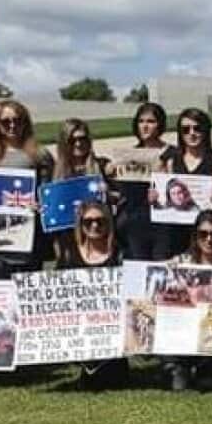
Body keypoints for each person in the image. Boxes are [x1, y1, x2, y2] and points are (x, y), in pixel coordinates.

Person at [0, 99, 55, 271]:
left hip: (30, 231)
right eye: (5, 122)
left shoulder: (40, 154)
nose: (12, 125)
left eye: (18, 120)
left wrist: (41, 203)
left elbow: (48, 191)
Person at [164, 210, 212, 392]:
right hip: (182, 335)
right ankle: (178, 367)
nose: (209, 239)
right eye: (203, 234)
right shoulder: (181, 262)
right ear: (195, 236)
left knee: (209, 382)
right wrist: (167, 270)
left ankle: (210, 367)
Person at [57, 201, 126, 390]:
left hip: (111, 324)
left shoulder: (120, 253)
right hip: (79, 322)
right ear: (81, 224)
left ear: (109, 223)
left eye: (100, 221)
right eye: (88, 222)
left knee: (113, 378)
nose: (94, 226)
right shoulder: (70, 253)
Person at [158, 108, 212, 259]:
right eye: (186, 129)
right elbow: (163, 200)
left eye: (197, 128)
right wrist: (156, 198)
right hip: (175, 233)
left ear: (206, 130)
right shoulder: (171, 161)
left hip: (205, 234)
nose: (192, 133)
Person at [53, 118, 118, 260]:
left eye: (82, 138)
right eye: (72, 140)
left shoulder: (103, 166)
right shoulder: (55, 173)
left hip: (100, 237)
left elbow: (121, 199)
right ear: (64, 143)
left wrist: (109, 194)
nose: (78, 143)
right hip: (68, 239)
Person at [115, 103, 170, 261]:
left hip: (163, 226)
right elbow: (122, 194)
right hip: (134, 225)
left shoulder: (172, 153)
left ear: (160, 124)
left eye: (151, 121)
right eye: (141, 121)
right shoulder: (129, 155)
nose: (145, 126)